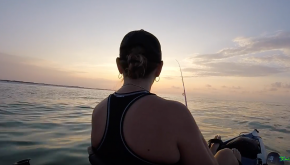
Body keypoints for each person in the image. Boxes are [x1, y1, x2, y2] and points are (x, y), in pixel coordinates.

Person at [89, 29, 242, 165]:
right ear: (159, 68)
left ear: (119, 65)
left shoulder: (99, 111)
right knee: (228, 154)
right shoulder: (175, 113)